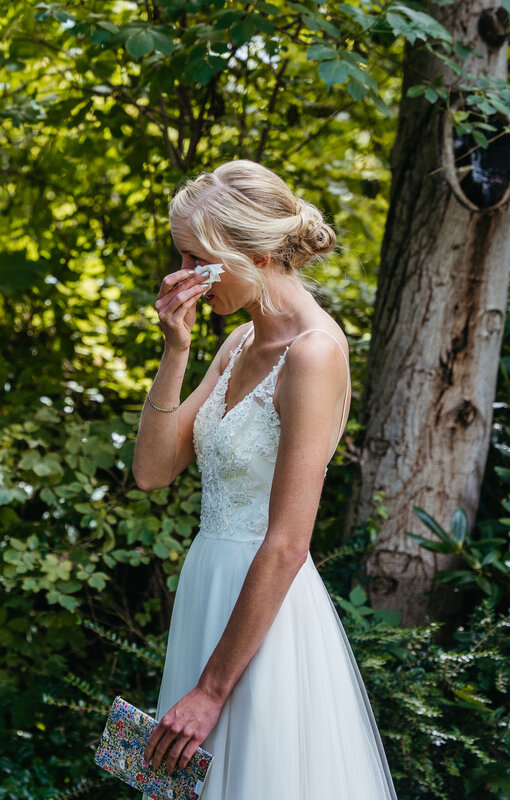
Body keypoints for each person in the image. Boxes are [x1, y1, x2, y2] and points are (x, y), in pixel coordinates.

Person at [133, 161, 397, 799]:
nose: (182, 276)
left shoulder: (314, 354)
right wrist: (176, 349)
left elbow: (288, 542)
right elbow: (152, 470)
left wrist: (211, 689)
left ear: (248, 250)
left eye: (196, 258)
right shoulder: (238, 343)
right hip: (207, 594)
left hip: (263, 617)